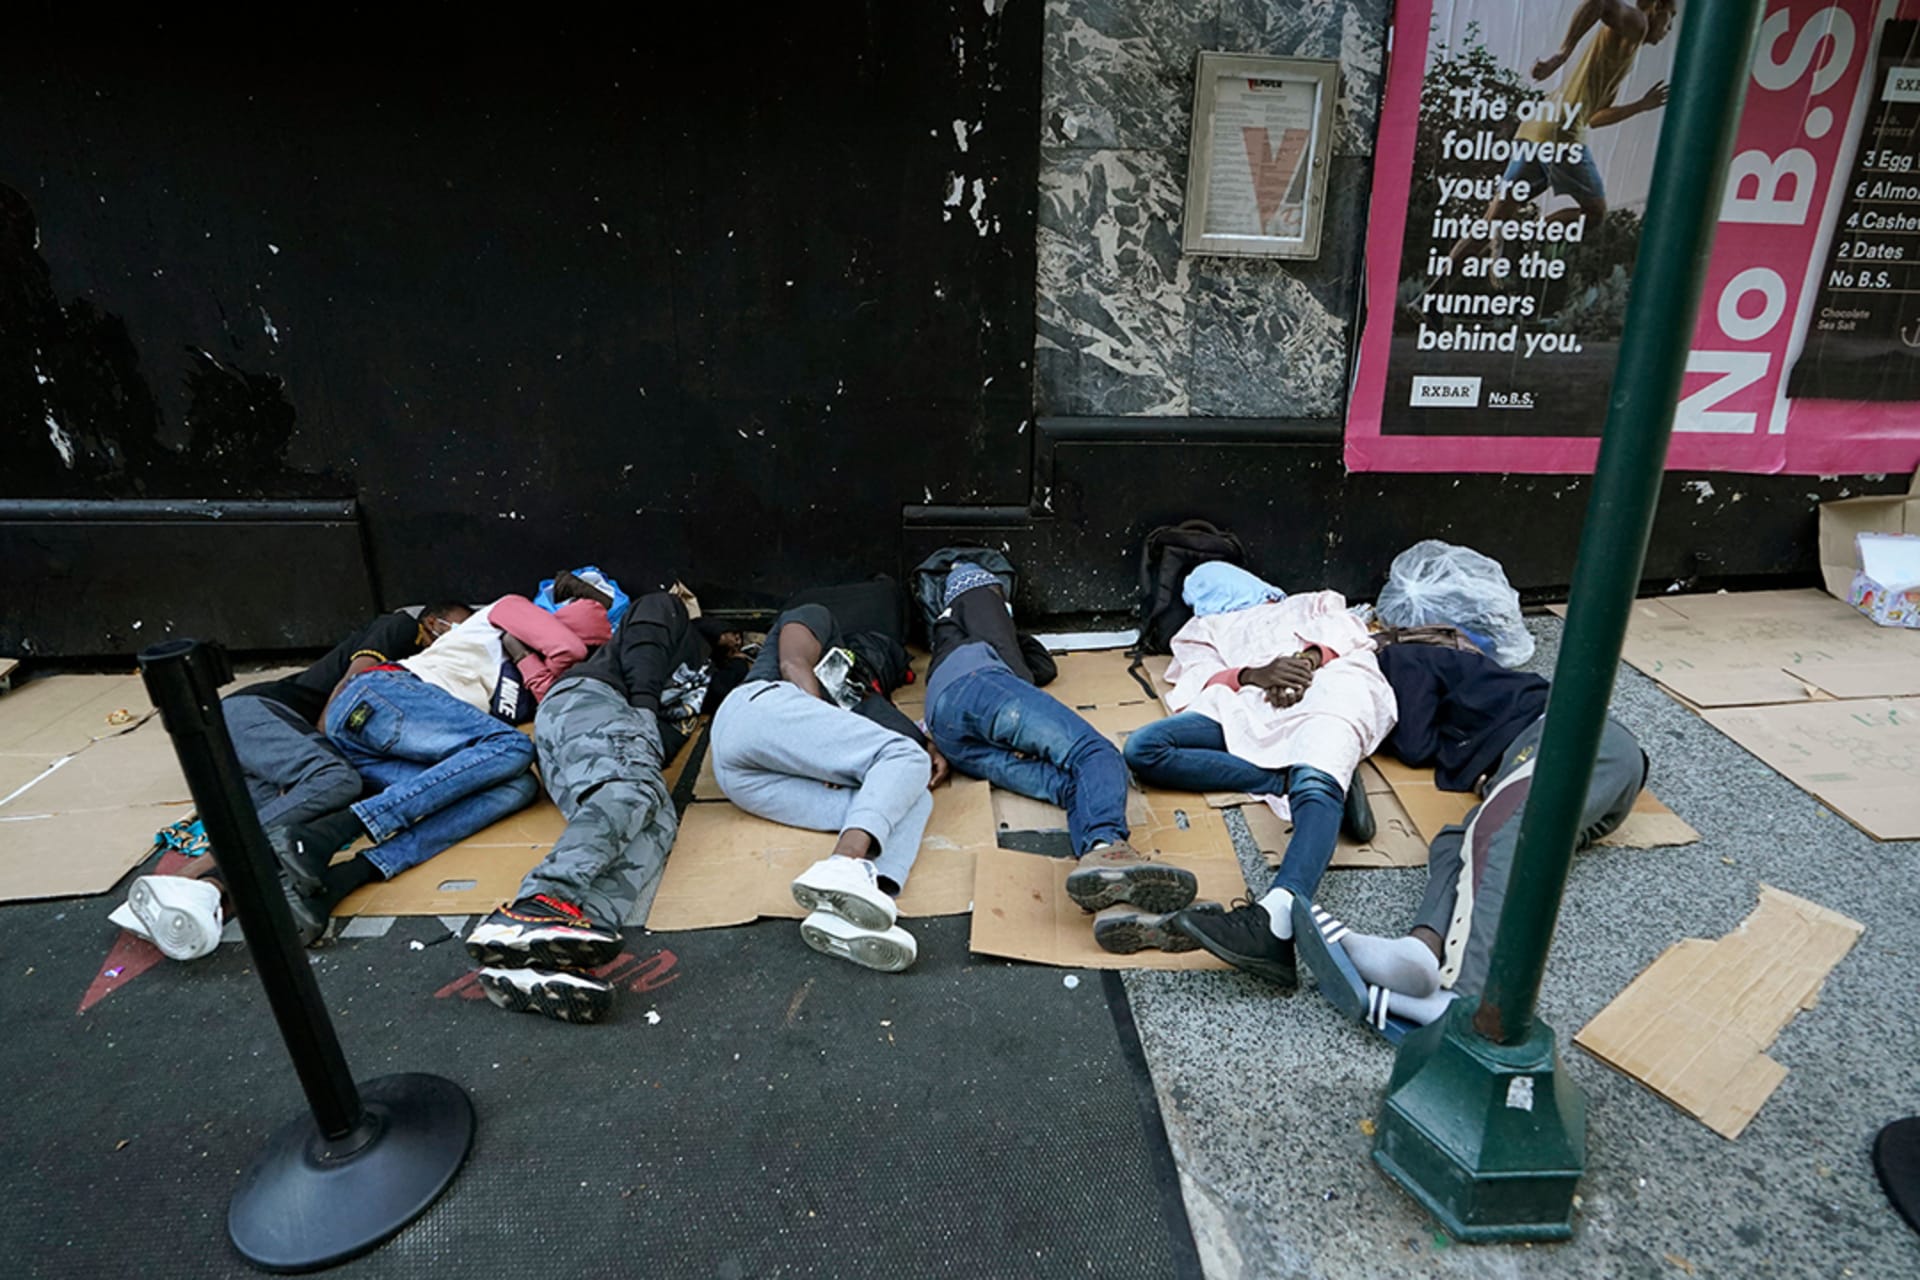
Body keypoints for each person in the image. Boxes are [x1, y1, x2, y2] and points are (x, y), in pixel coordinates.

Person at [1290, 639, 1648, 1039]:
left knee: (1497, 833)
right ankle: (1423, 949)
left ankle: (1465, 996)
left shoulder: (1398, 659)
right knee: (1455, 841)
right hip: (1556, 762)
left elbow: (1416, 744)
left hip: (1580, 738)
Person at [114, 604, 467, 961]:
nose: (463, 637)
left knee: (289, 845)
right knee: (335, 779)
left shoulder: (436, 671)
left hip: (258, 753)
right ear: (433, 621)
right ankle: (187, 875)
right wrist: (316, 757)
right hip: (256, 716)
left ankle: (203, 899)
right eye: (459, 627)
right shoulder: (402, 627)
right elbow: (352, 683)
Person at [273, 589, 612, 945]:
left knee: (519, 788)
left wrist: (528, 660)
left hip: (388, 746)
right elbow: (567, 650)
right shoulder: (506, 610)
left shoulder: (525, 670)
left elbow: (551, 701)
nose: (582, 660)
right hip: (382, 696)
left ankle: (348, 876)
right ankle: (330, 831)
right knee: (512, 747)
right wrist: (560, 655)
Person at [1128, 568, 1396, 984]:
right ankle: (1283, 781)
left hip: (1328, 685)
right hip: (1248, 702)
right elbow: (1197, 680)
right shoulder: (1199, 631)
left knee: (1319, 761)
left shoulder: (1309, 601)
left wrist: (1304, 664)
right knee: (1143, 749)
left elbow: (1352, 633)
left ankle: (1277, 917)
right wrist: (1255, 675)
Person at [924, 563, 1197, 951]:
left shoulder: (948, 634)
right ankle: (1109, 847)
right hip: (980, 690)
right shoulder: (976, 592)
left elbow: (1039, 665)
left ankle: (1112, 897)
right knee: (1096, 754)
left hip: (953, 732)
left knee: (1071, 785)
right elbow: (1014, 662)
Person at [465, 590, 705, 1022]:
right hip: (594, 702)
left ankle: (553, 953)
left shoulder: (709, 674)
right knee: (630, 791)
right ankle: (540, 900)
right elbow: (645, 651)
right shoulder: (664, 610)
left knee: (657, 827)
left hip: (605, 736)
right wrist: (646, 713)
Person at [709, 599, 942, 973]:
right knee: (905, 759)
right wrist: (824, 761)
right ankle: (844, 864)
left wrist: (929, 744)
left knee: (912, 797)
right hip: (753, 710)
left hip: (744, 776)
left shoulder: (852, 687)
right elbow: (792, 664)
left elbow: (886, 748)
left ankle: (858, 904)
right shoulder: (814, 617)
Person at [1438, 0, 1675, 283]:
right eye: (1670, 18)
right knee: (1595, 214)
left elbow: (1596, 117)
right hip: (1563, 131)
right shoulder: (1638, 23)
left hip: (1537, 128)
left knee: (1491, 221)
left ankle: (1429, 298)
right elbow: (1599, 3)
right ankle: (1522, 235)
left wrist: (1639, 106)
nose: (1668, 30)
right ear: (1657, 8)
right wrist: (1560, 55)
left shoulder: (1624, 49)